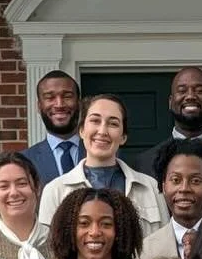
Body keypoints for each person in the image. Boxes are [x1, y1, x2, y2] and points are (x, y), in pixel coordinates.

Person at [35, 93, 167, 246]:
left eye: (113, 124)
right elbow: (49, 255)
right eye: (95, 121)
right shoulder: (55, 191)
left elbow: (164, 251)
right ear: (82, 130)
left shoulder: (150, 187)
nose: (102, 131)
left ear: (123, 136)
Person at [140, 139, 202, 259]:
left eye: (195, 181)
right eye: (175, 180)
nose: (184, 189)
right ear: (163, 186)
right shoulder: (144, 251)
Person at [21, 70, 83, 186]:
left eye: (67, 96)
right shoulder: (23, 161)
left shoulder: (103, 154)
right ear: (39, 107)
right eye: (50, 97)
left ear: (79, 104)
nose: (59, 104)